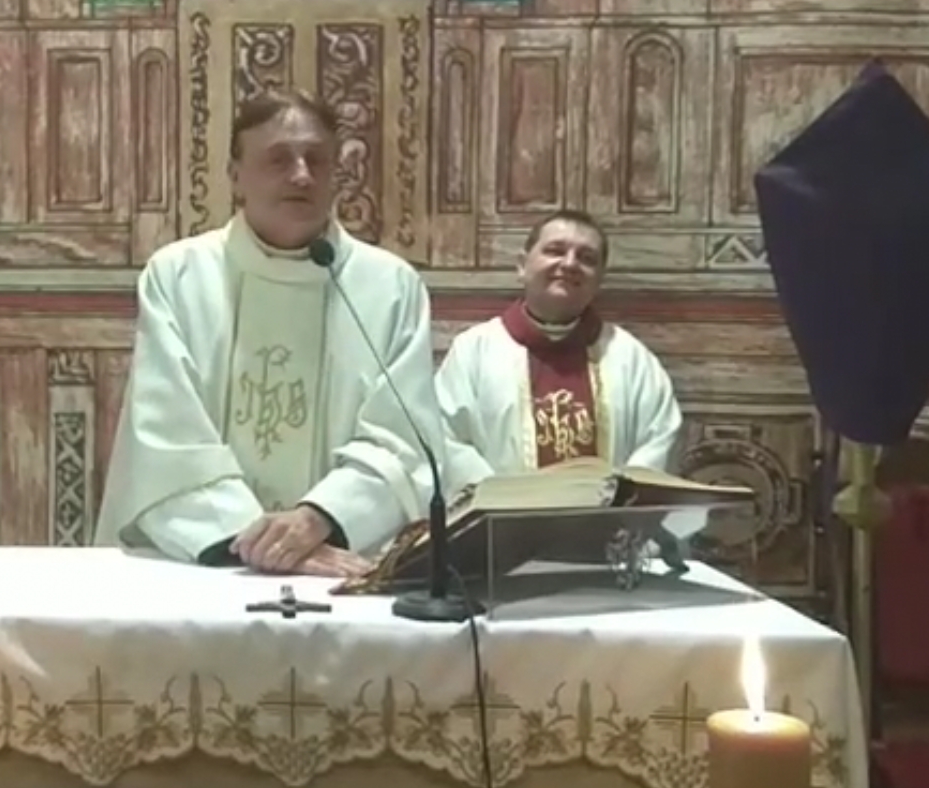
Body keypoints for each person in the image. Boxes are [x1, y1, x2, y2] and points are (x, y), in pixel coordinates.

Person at [93, 89, 442, 578]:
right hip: (203, 560)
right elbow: (167, 438)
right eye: (279, 159)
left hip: (343, 563)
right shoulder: (179, 276)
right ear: (235, 175)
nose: (301, 175)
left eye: (317, 160)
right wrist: (263, 541)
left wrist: (316, 520)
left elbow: (401, 441)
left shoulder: (390, 286)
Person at [437, 209, 683, 485]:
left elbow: (658, 440)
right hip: (502, 512)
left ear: (599, 279)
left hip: (607, 513)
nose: (570, 264)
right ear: (522, 266)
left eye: (586, 258)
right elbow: (447, 439)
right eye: (555, 251)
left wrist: (619, 501)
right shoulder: (474, 351)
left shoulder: (631, 358)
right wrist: (501, 500)